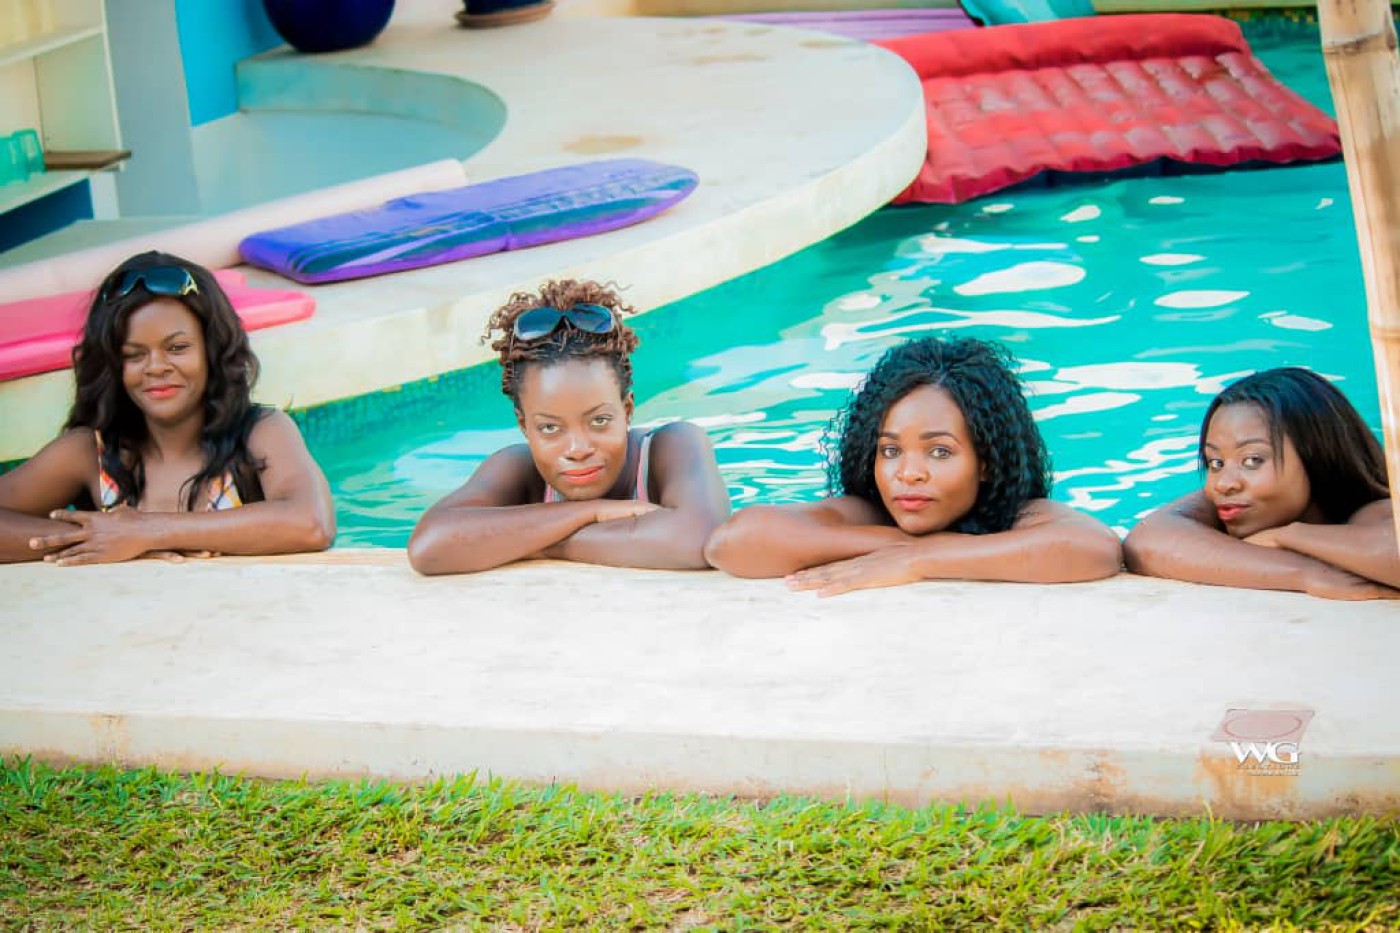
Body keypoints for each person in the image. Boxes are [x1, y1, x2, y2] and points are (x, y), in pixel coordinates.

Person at [704, 336, 1122, 594]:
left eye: (939, 452)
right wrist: (901, 545)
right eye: (890, 451)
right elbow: (733, 542)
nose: (908, 473)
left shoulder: (1015, 515)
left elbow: (1096, 548)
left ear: (985, 463)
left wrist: (922, 559)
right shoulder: (869, 514)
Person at [0, 251, 335, 565]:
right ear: (112, 366)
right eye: (134, 354)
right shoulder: (91, 451)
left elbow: (312, 523)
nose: (156, 367)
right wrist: (100, 538)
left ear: (212, 351)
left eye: (177, 347)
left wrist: (148, 532)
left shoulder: (260, 431)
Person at [407, 278, 730, 574]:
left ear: (627, 410)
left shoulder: (672, 446)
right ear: (524, 425)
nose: (577, 449)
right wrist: (592, 512)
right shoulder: (517, 468)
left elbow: (700, 539)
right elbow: (429, 548)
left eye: (599, 421)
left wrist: (534, 543)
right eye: (549, 428)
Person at [1124, 367, 1397, 600]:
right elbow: (1145, 541)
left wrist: (1288, 535)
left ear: (1317, 456)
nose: (1223, 484)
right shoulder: (1232, 501)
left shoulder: (1371, 509)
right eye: (1215, 463)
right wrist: (1303, 573)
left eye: (1252, 460)